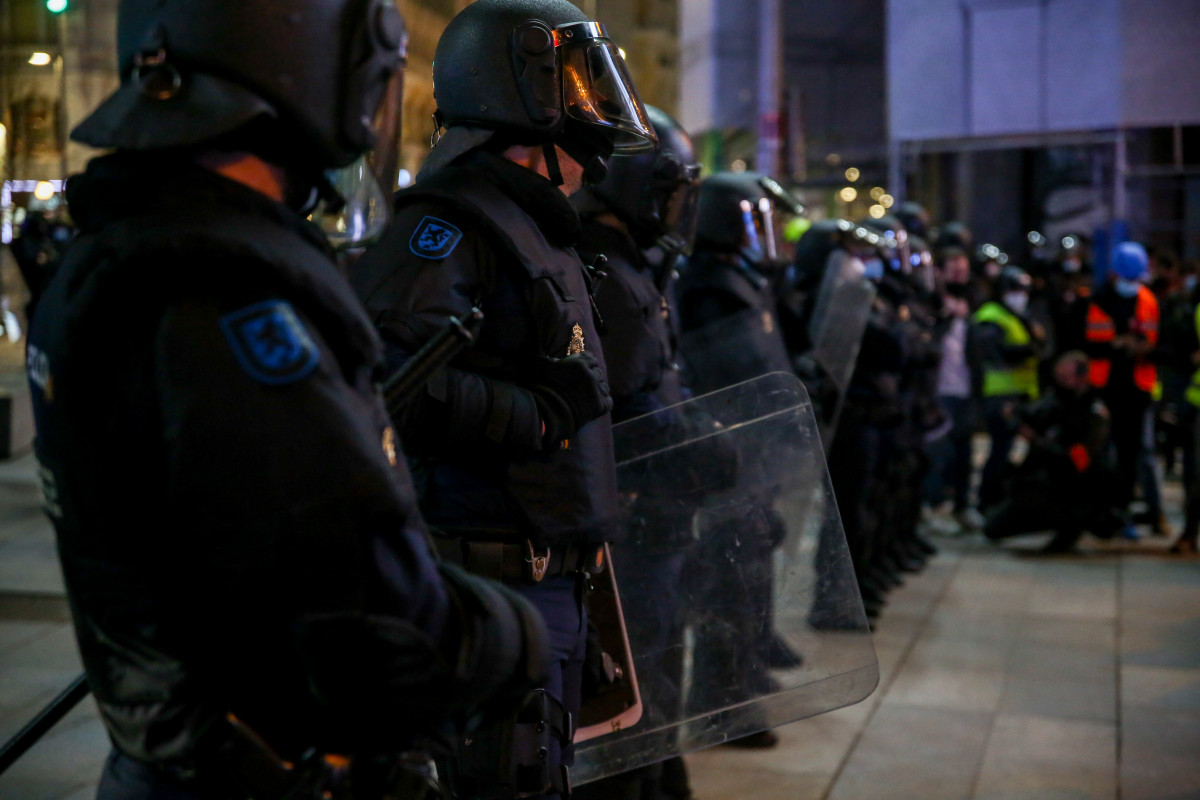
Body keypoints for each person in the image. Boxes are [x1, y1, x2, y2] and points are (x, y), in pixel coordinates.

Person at [29, 2, 549, 797]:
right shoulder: (226, 290)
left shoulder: (115, 252)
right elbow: (375, 623)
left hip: (169, 758)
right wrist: (512, 635)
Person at [349, 1, 658, 795]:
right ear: (523, 87)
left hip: (548, 581)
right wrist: (537, 415)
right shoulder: (449, 224)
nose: (596, 108)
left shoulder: (531, 225)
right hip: (491, 585)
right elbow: (387, 380)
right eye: (579, 82)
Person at [570, 103, 701, 800]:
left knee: (656, 694)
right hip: (631, 531)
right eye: (668, 190)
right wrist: (690, 452)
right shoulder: (604, 273)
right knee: (631, 708)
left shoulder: (629, 265)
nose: (676, 209)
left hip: (656, 523)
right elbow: (617, 410)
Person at [984, 351, 1122, 552]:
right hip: (1047, 480)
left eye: (1065, 378)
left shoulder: (1093, 414)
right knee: (993, 527)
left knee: (1033, 493)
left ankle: (1073, 526)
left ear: (1082, 378)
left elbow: (1076, 462)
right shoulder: (1055, 399)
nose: (1060, 382)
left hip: (1077, 488)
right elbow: (1032, 413)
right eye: (1058, 377)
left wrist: (1037, 442)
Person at [1083, 242, 1159, 532]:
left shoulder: (1148, 301)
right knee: (1101, 452)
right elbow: (1087, 343)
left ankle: (1124, 512)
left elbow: (1158, 342)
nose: (1131, 284)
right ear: (1115, 274)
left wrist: (1144, 349)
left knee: (1132, 455)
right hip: (1104, 389)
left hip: (1136, 390)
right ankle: (1099, 510)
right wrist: (1116, 345)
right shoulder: (1097, 301)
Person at [972, 265, 1043, 511]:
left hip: (1021, 393)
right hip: (1000, 396)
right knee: (1000, 451)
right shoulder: (991, 316)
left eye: (1024, 289)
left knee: (1013, 452)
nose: (1020, 294)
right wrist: (1030, 349)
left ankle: (1004, 499)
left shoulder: (1020, 315)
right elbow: (994, 354)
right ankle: (987, 500)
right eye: (1015, 289)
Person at [924, 246, 982, 533]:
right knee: (939, 453)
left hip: (964, 387)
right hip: (940, 388)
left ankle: (961, 507)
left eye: (963, 268)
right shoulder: (933, 302)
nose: (960, 274)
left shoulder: (971, 303)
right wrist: (946, 316)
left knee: (964, 452)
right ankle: (935, 507)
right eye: (953, 268)